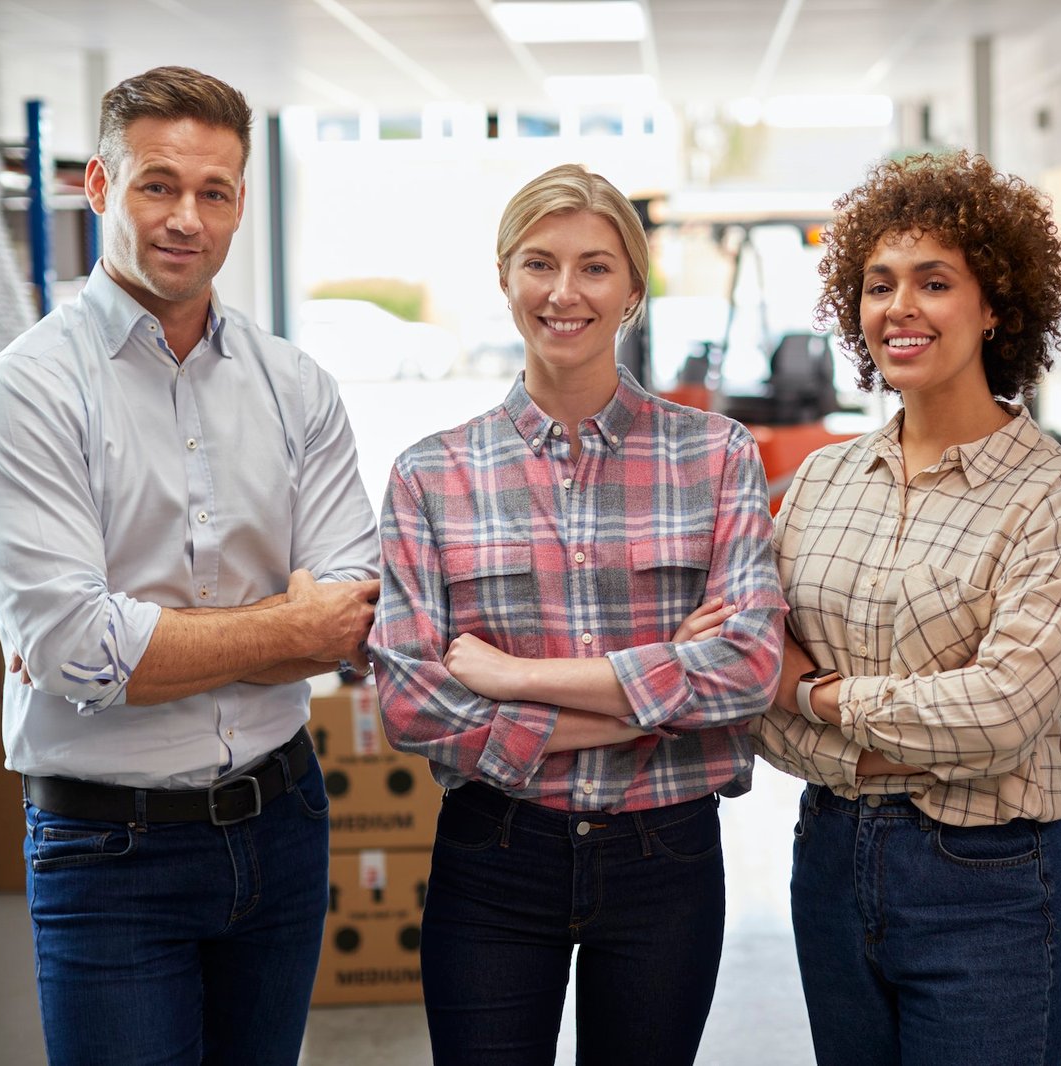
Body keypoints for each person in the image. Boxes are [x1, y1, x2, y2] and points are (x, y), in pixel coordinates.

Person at [0, 66, 380, 1065]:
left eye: (214, 192)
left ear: (239, 203)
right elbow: (75, 651)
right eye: (157, 184)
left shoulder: (296, 387)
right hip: (109, 852)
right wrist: (284, 625)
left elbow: (350, 611)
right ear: (100, 187)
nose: (185, 217)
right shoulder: (25, 395)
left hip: (283, 820)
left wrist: (139, 638)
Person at [369, 162, 786, 1066]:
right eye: (539, 263)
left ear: (634, 288)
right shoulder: (429, 476)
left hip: (665, 857)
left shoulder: (715, 455)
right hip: (494, 854)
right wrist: (654, 688)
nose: (566, 292)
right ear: (505, 277)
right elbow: (408, 703)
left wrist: (513, 680)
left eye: (596, 267)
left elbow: (750, 669)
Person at [752, 150, 1061, 1066]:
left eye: (934, 282)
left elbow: (1004, 712)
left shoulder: (1051, 494)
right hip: (829, 860)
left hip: (985, 881)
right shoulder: (822, 481)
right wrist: (826, 715)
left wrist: (822, 700)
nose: (899, 307)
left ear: (995, 306)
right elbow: (751, 675)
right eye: (878, 284)